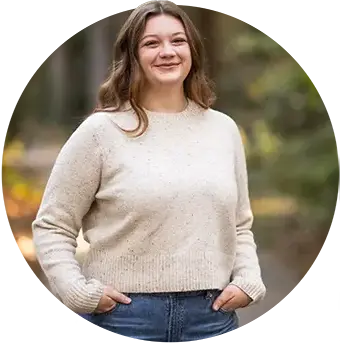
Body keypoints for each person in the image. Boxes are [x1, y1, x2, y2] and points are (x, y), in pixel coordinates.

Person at [32, 0, 266, 342]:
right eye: (151, 43)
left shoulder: (223, 130)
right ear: (132, 56)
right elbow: (52, 224)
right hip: (123, 321)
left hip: (211, 318)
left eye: (178, 40)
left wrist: (248, 279)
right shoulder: (101, 132)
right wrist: (78, 291)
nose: (167, 52)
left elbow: (239, 224)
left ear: (193, 51)